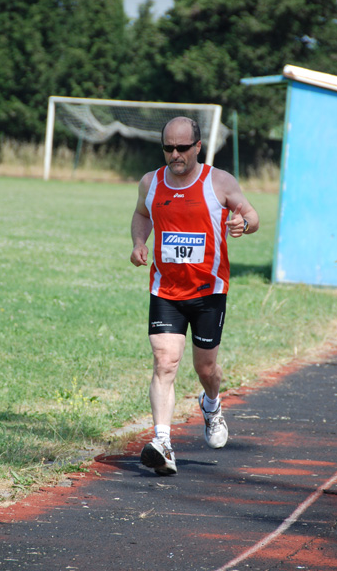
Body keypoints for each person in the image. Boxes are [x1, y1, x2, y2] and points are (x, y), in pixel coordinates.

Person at [130, 116, 259, 476]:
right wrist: (139, 243)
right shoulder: (150, 183)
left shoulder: (219, 181)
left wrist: (242, 224)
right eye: (168, 148)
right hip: (166, 290)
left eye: (182, 148)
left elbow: (251, 215)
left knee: (205, 369)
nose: (175, 155)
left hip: (208, 292)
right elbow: (141, 215)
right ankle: (163, 444)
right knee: (165, 361)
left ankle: (212, 404)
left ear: (198, 147)